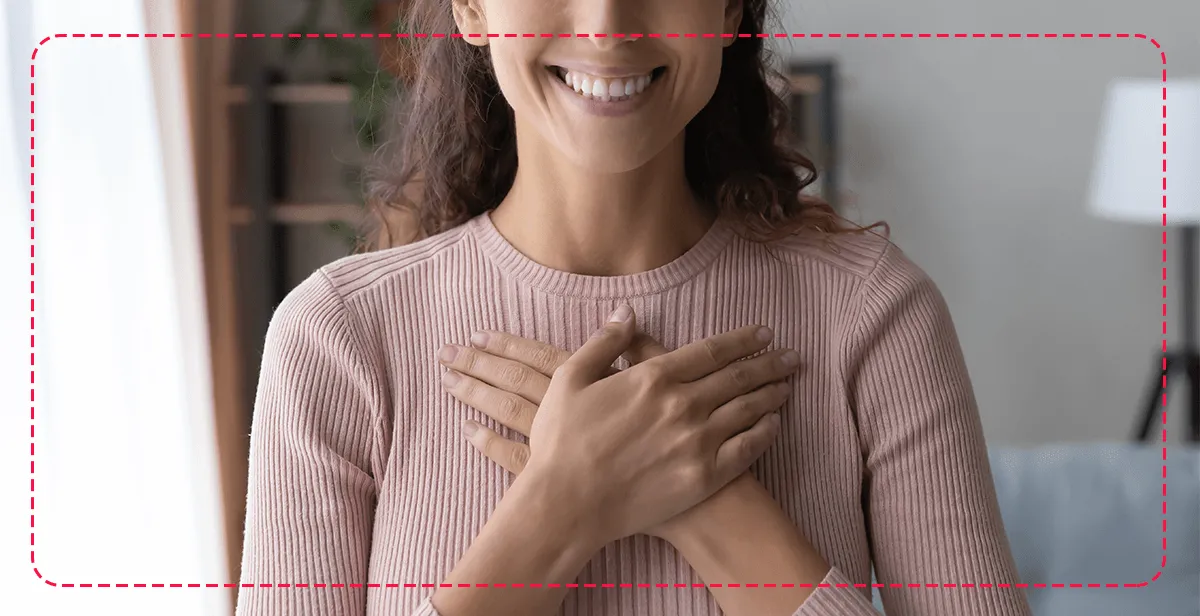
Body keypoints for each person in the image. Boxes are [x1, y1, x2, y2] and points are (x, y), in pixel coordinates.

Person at [235, 0, 1034, 615]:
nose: (607, 23)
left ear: (729, 10)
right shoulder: (339, 338)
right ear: (472, 8)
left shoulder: (874, 314)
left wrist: (714, 505)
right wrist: (560, 509)